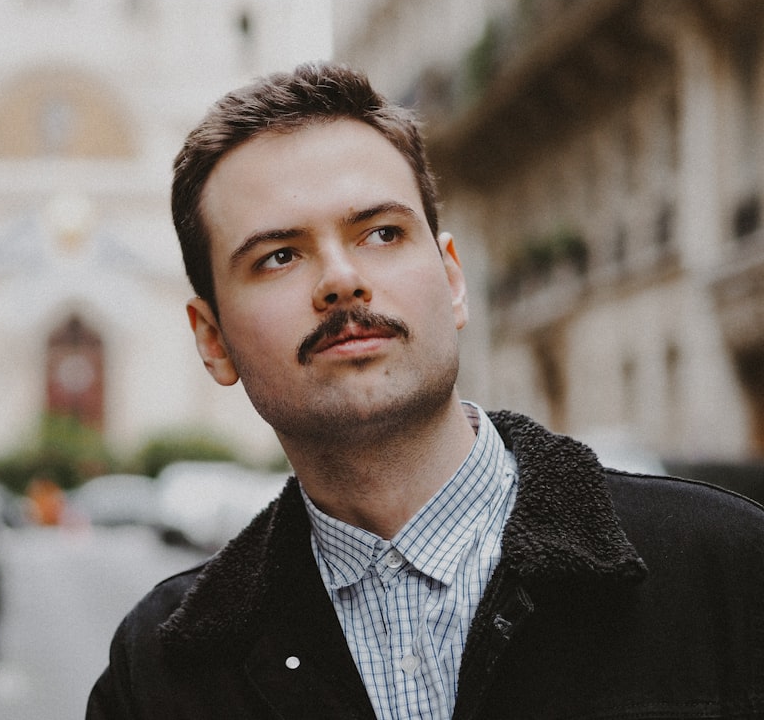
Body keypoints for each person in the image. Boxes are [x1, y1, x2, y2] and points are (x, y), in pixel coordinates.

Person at [87, 62, 764, 719]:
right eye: (279, 256)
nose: (341, 280)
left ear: (453, 280)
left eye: (382, 232)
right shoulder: (159, 673)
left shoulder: (726, 570)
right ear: (212, 340)